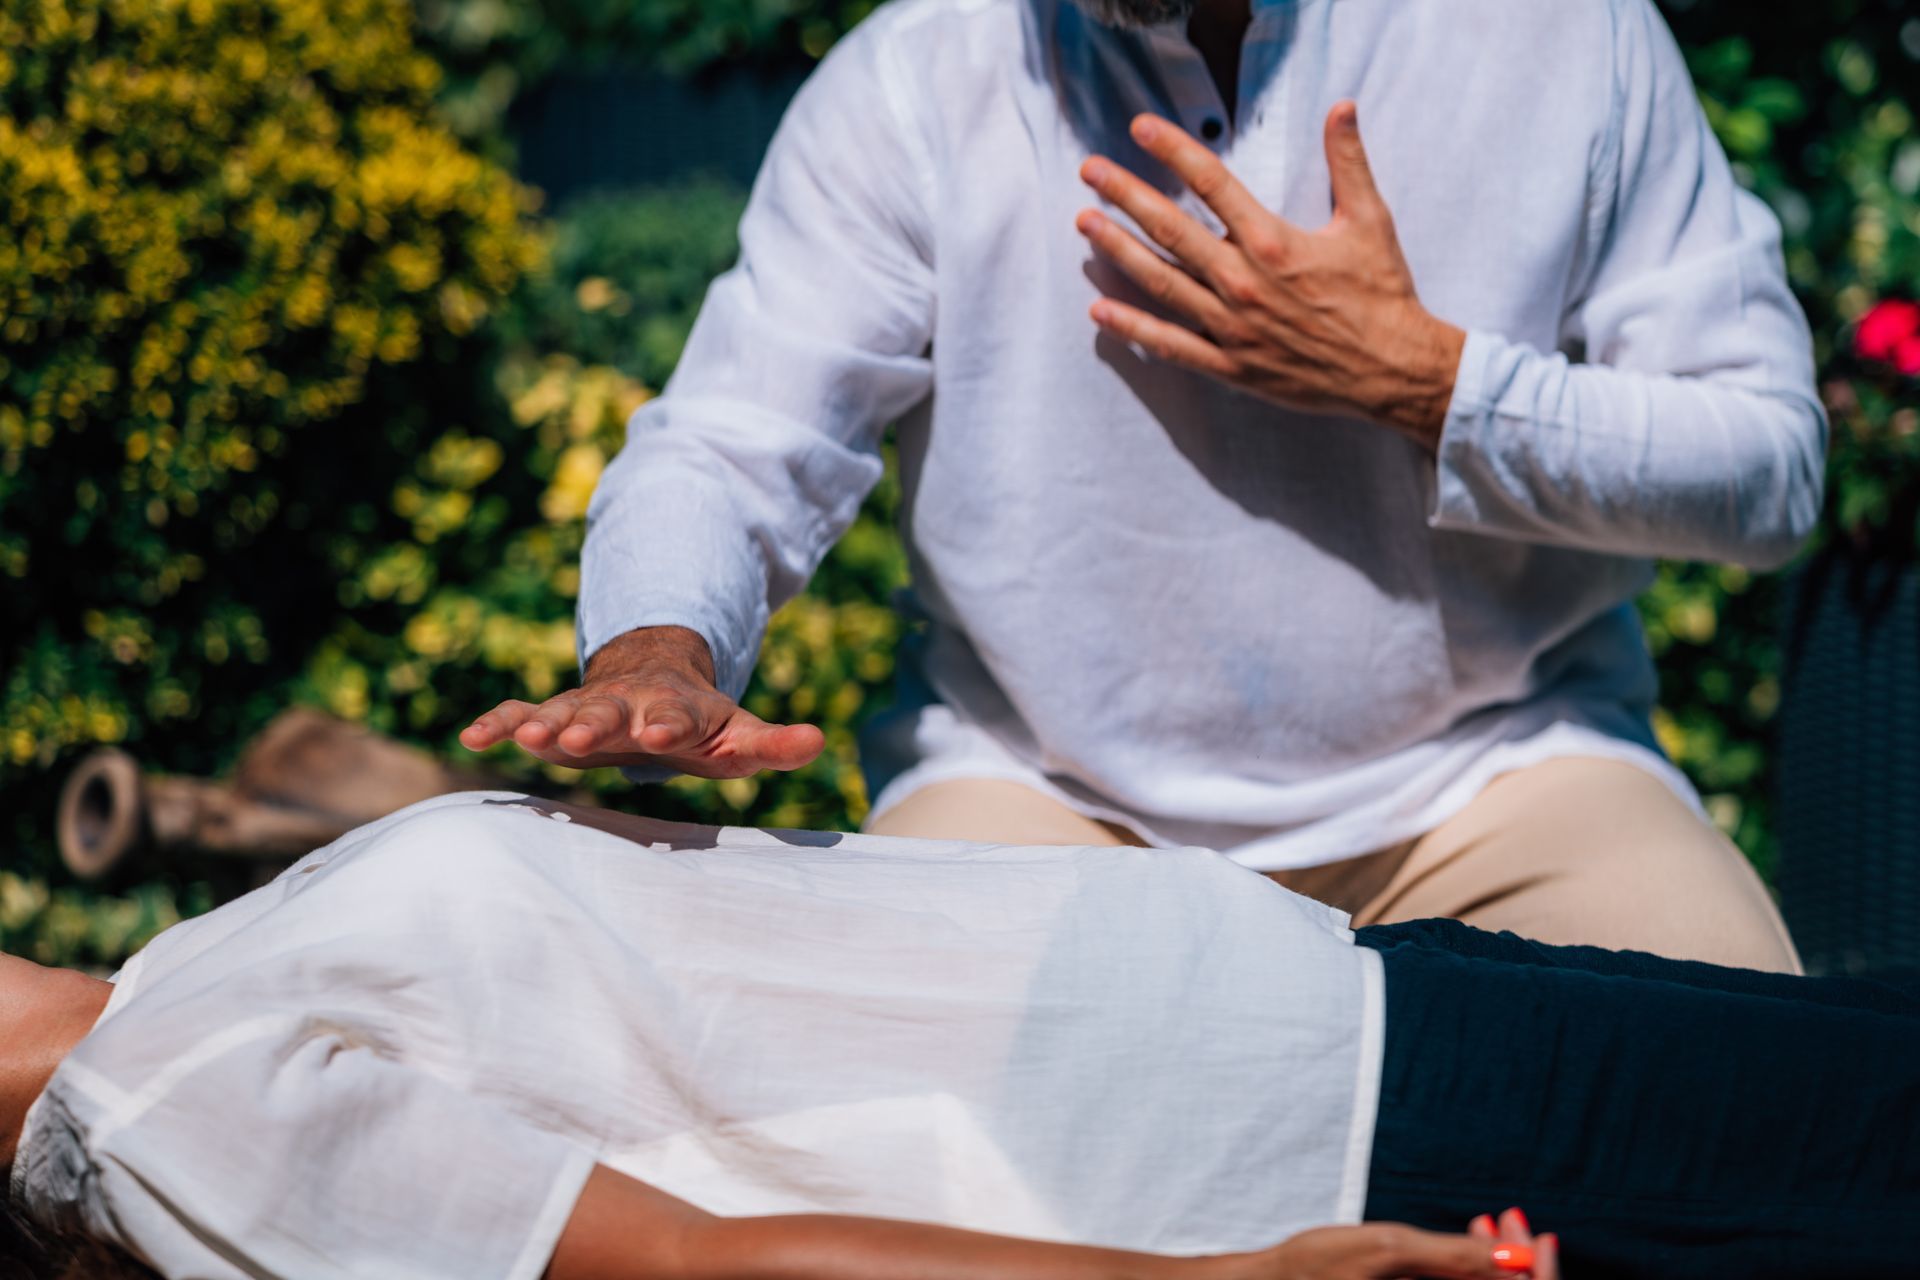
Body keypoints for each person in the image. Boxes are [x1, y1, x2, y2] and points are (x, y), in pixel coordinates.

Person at [460, 0, 1824, 970]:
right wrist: (658, 649)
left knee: (1747, 1132)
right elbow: (736, 436)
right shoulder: (916, 77)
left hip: (1501, 786)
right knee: (906, 1171)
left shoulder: (1560, 34)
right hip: (1047, 802)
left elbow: (1767, 469)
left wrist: (1425, 381)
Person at [6, 793, 1915, 1279]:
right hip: (1300, 1145)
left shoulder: (174, 982)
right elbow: (690, 1262)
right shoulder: (161, 1120)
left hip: (1327, 997)